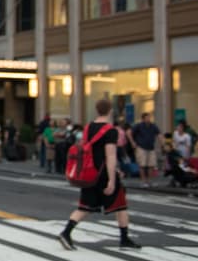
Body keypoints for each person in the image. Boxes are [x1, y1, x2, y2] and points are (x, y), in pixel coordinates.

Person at [57, 98, 141, 251]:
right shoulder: (111, 130)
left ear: (97, 110)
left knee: (85, 206)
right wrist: (112, 179)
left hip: (89, 172)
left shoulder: (88, 127)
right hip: (103, 174)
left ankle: (66, 232)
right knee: (121, 205)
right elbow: (110, 156)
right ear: (110, 111)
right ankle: (124, 238)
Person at [131, 112, 161, 185]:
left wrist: (162, 144)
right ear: (143, 119)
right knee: (142, 165)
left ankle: (149, 180)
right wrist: (133, 142)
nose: (148, 119)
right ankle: (143, 181)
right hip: (141, 147)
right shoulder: (139, 126)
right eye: (147, 117)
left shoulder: (153, 126)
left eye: (149, 117)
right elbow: (129, 132)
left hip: (151, 147)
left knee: (151, 164)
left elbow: (159, 134)